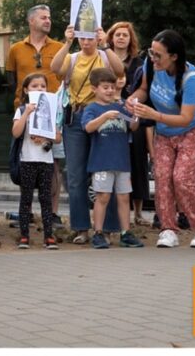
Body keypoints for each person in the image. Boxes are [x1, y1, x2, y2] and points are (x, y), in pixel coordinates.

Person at [126, 30, 195, 249]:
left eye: (158, 55)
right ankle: (168, 230)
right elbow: (144, 89)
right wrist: (133, 99)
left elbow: (185, 118)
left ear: (174, 56)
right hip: (165, 133)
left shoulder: (190, 78)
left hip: (192, 130)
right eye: (151, 52)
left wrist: (154, 115)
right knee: (162, 176)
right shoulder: (150, 64)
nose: (153, 58)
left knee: (182, 179)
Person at [52, 25, 124, 244]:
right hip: (76, 118)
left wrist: (106, 44)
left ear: (96, 36)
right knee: (75, 175)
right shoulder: (72, 58)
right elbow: (55, 69)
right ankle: (81, 228)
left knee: (107, 171)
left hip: (102, 118)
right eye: (82, 37)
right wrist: (66, 42)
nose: (86, 41)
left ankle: (109, 228)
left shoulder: (104, 55)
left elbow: (120, 71)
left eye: (90, 37)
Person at [5, 4, 66, 225]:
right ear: (31, 21)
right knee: (26, 159)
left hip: (52, 112)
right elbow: (11, 79)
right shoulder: (15, 49)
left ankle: (53, 212)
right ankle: (26, 211)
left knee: (54, 163)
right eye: (43, 17)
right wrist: (21, 106)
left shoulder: (60, 47)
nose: (48, 21)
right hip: (25, 112)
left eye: (49, 17)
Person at [81, 68, 145, 249]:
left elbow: (132, 127)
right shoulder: (91, 108)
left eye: (112, 87)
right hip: (101, 163)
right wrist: (104, 116)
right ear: (94, 89)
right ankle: (98, 233)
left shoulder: (121, 106)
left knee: (124, 198)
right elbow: (88, 128)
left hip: (122, 162)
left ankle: (125, 233)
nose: (110, 91)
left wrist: (136, 115)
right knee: (102, 197)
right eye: (105, 87)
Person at [106, 20, 151, 227]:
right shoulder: (104, 59)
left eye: (125, 35)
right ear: (111, 38)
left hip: (135, 117)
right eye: (118, 34)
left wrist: (130, 102)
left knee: (138, 165)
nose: (121, 38)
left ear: (130, 39)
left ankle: (139, 212)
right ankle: (115, 213)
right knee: (114, 164)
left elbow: (146, 88)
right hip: (110, 117)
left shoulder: (140, 63)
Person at [11, 73, 61, 250]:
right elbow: (16, 132)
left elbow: (58, 137)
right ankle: (24, 236)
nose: (39, 89)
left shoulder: (50, 109)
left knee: (45, 199)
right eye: (34, 86)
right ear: (26, 89)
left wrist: (45, 137)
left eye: (42, 86)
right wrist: (26, 113)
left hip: (45, 161)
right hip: (27, 160)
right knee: (26, 199)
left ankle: (49, 236)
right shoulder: (22, 109)